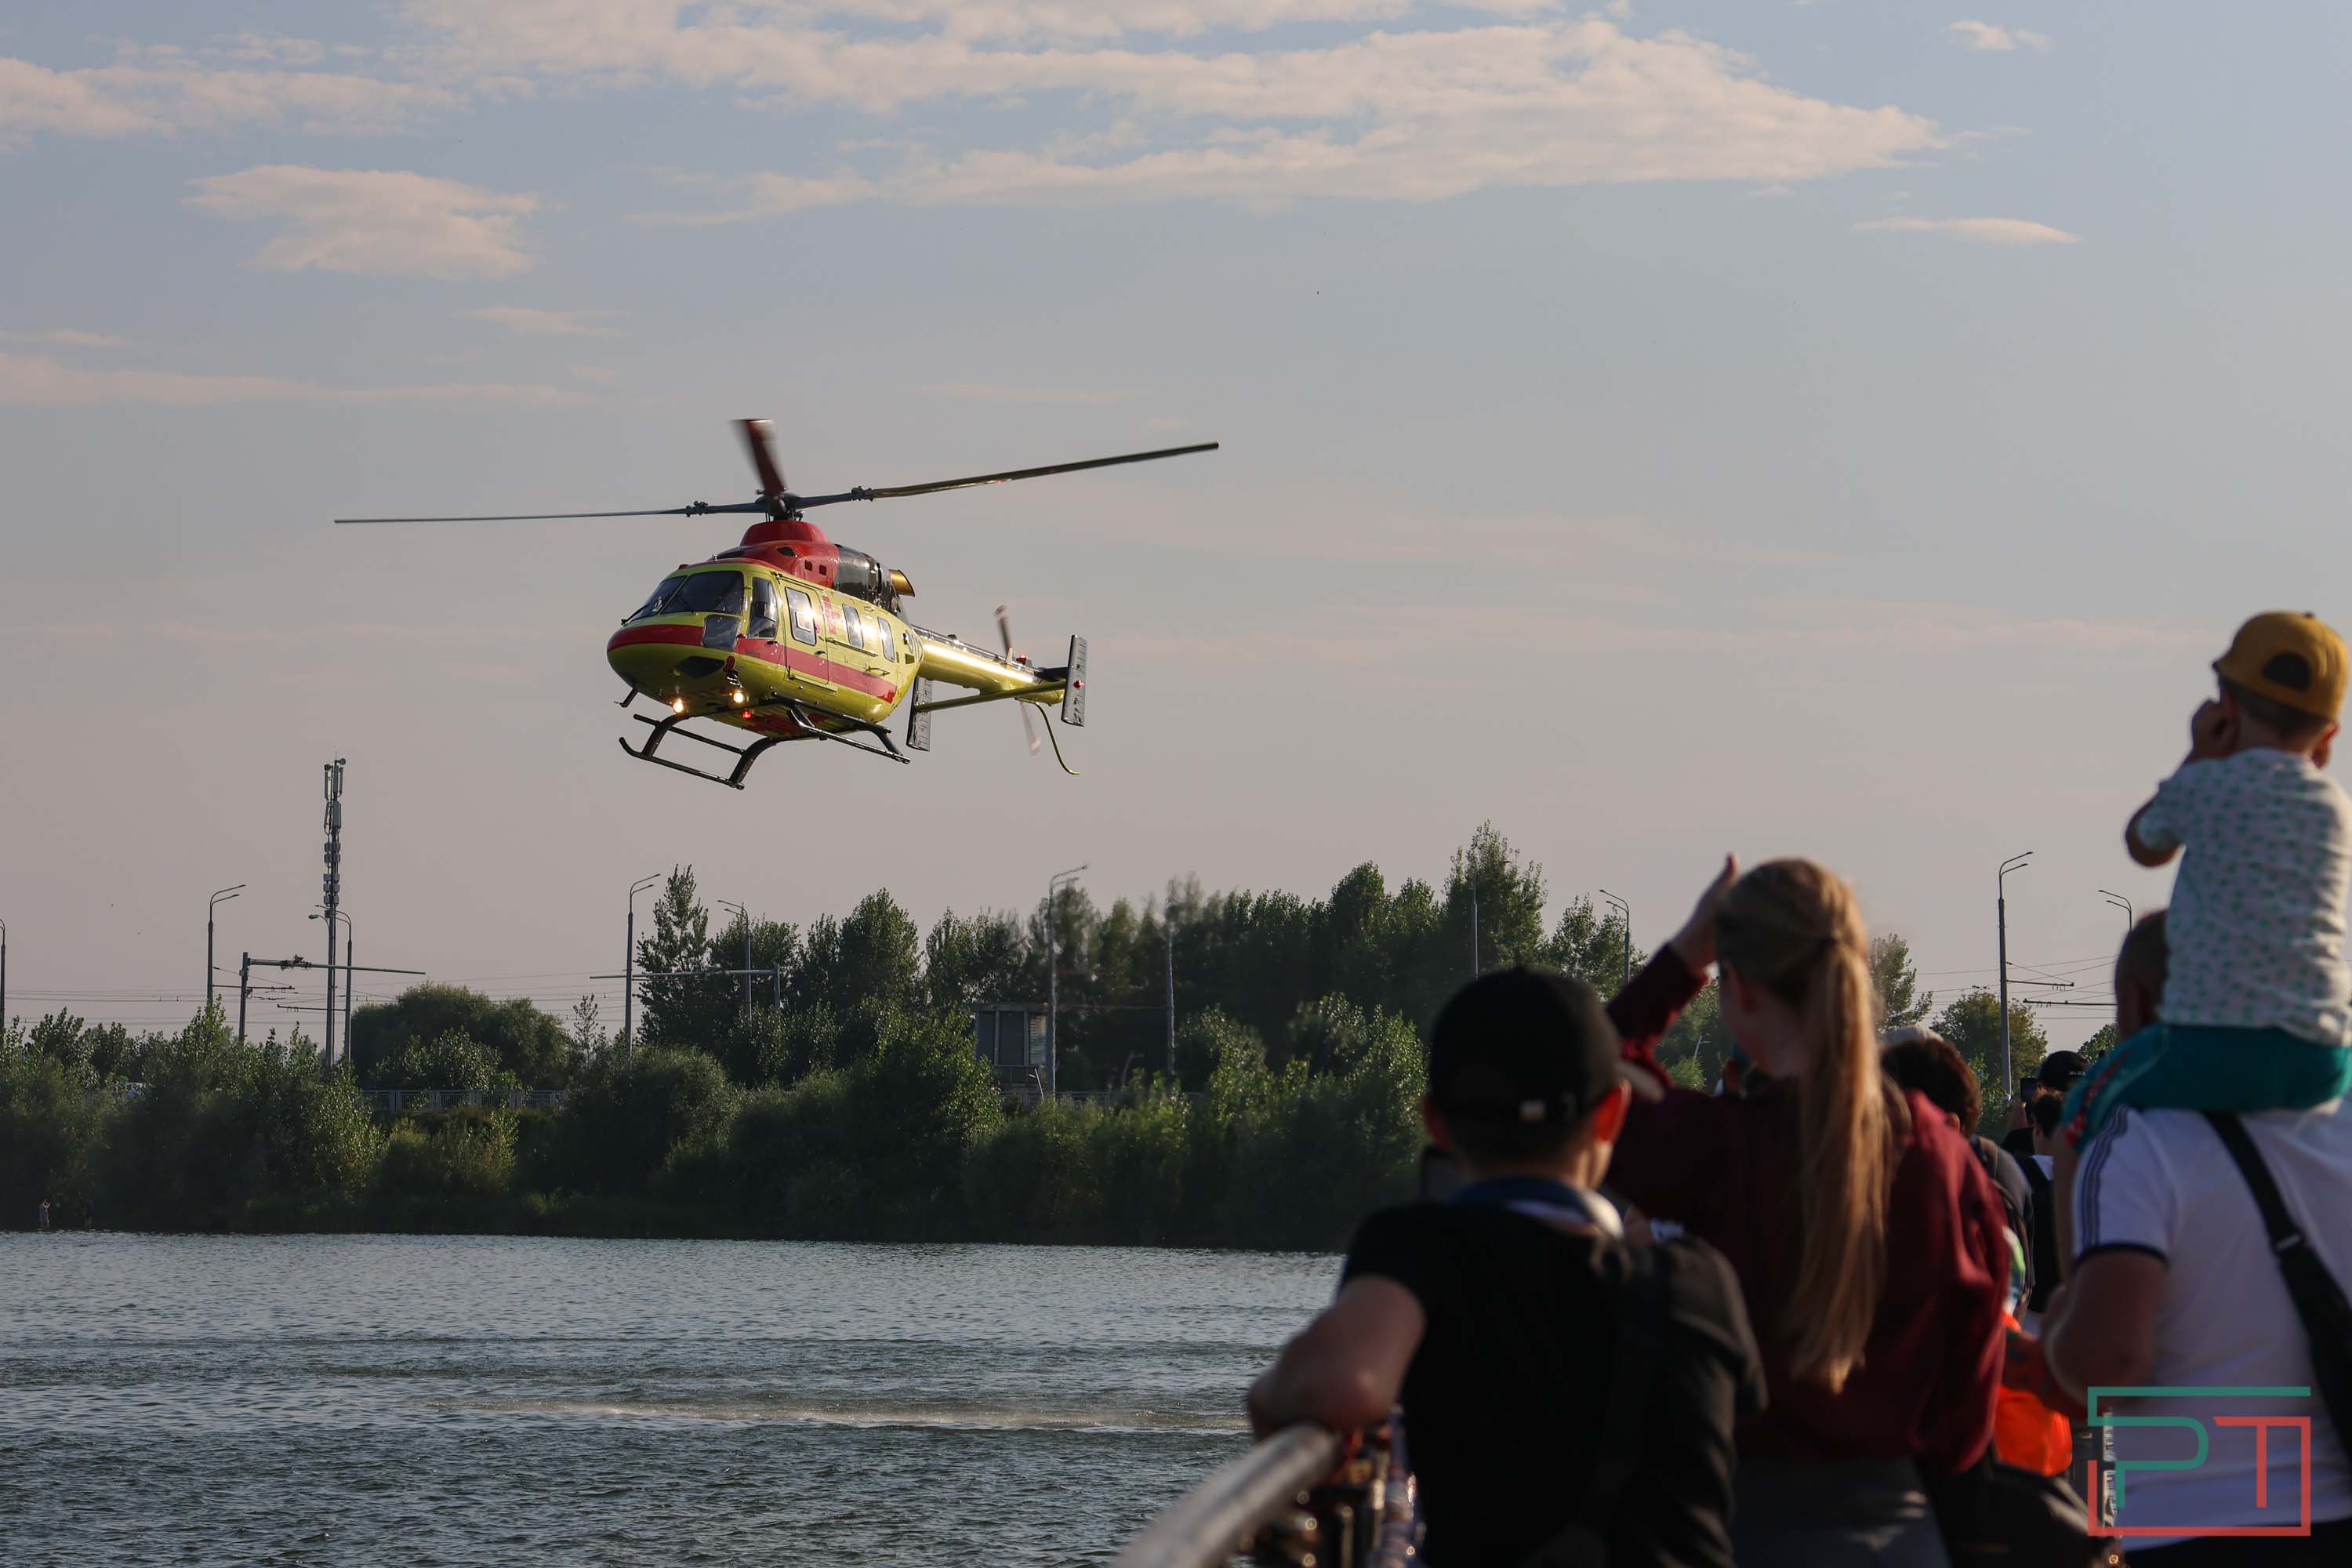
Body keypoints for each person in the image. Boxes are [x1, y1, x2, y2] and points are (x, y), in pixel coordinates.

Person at [1249, 967, 1766, 1568]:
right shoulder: (1699, 1284)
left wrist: (1269, 1395)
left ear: (1436, 1122)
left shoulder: (1421, 1249)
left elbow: (1337, 1384)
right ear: (1612, 1116)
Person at [1605, 856, 2009, 1567]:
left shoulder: (1717, 1146)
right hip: (1901, 1533)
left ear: (1739, 989)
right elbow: (1972, 1382)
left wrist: (1686, 955)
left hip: (1743, 1531)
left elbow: (1589, 1073)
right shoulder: (1943, 1158)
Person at [2044, 906, 2352, 1560]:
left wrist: (2056, 1338)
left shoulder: (2130, 1136)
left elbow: (2111, 1365)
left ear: (2134, 1001)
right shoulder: (2340, 1113)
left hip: (2198, 1520)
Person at [2066, 610, 2352, 1144]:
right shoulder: (2336, 807)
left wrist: (2197, 755)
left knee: (2081, 1108)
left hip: (2213, 1047)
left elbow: (2143, 845)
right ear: (2329, 735)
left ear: (2228, 707)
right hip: (2322, 1057)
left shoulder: (2206, 785)